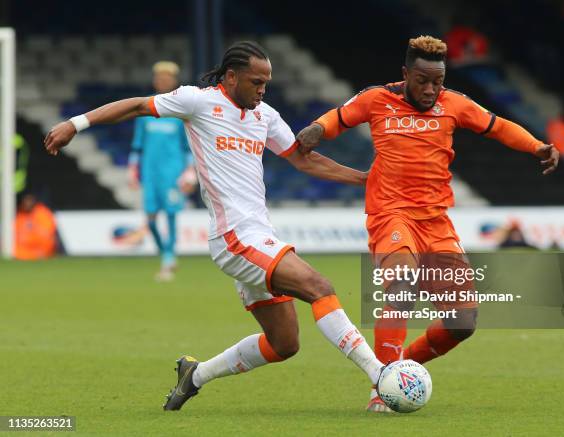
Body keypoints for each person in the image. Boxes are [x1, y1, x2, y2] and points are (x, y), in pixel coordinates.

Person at [44, 41, 384, 412]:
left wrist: (364, 179)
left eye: (266, 82)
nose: (262, 89)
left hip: (259, 238)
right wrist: (75, 124)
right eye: (256, 81)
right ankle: (380, 375)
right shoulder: (198, 101)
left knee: (284, 344)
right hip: (233, 238)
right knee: (320, 287)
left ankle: (195, 375)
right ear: (232, 76)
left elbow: (304, 160)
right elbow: (139, 105)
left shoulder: (265, 115)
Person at [297, 36, 559, 412]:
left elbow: (498, 126)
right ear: (405, 74)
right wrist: (316, 130)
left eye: (438, 81)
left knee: (462, 323)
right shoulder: (377, 99)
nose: (431, 89)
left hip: (436, 223)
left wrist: (537, 146)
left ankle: (401, 369)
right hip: (391, 214)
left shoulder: (454, 103)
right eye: (423, 80)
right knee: (401, 288)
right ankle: (382, 383)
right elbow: (338, 118)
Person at [128, 61, 196, 281]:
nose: (162, 80)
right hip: (150, 174)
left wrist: (189, 171)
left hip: (172, 174)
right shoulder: (145, 108)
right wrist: (132, 169)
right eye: (159, 77)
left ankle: (169, 257)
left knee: (171, 215)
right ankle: (165, 252)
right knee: (149, 219)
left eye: (167, 77)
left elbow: (188, 146)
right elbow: (137, 145)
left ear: (174, 81)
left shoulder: (180, 111)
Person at [14, 193, 57, 260]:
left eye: (30, 200)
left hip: (42, 250)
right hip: (22, 251)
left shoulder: (43, 213)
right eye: (26, 200)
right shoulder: (17, 216)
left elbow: (48, 234)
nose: (27, 203)